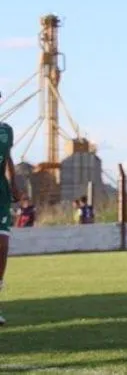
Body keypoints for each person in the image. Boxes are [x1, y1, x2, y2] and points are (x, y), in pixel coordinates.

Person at [0, 100, 19, 326]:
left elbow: (8, 159)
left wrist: (14, 182)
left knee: (2, 245)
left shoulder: (6, 130)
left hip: (1, 194)